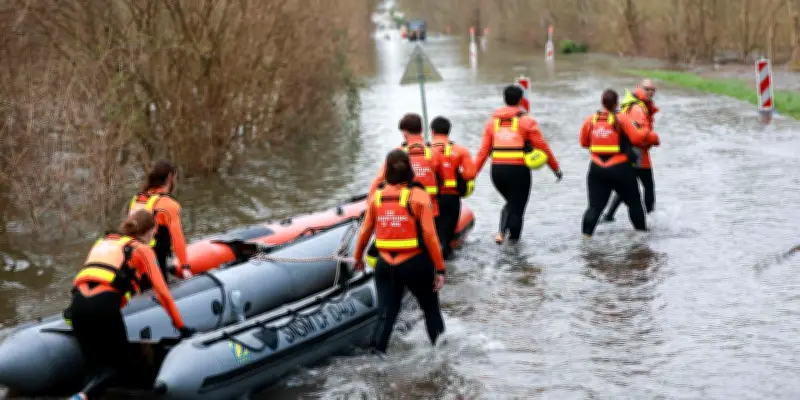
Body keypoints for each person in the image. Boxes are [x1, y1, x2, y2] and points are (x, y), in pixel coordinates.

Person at [65, 211, 194, 400]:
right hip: (104, 307)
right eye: (153, 233)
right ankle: (81, 397)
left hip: (77, 306)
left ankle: (86, 393)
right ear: (150, 231)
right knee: (119, 368)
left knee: (94, 368)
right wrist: (181, 327)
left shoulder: (104, 241)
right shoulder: (142, 249)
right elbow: (163, 292)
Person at [354, 149, 446, 354]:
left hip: (385, 265)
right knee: (431, 311)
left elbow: (366, 231)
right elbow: (431, 237)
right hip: (416, 264)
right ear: (409, 170)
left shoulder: (377, 196)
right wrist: (440, 269)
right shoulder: (420, 196)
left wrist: (358, 257)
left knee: (385, 315)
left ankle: (376, 363)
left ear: (386, 170)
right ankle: (443, 361)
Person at [474, 85, 562, 244]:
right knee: (517, 209)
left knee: (512, 204)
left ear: (504, 99)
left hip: (497, 172)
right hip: (518, 172)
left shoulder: (491, 123)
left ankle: (504, 236)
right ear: (521, 100)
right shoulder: (527, 121)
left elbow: (483, 152)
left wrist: (471, 175)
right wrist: (555, 169)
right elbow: (543, 147)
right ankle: (512, 249)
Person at [580, 89, 657, 237]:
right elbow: (637, 139)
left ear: (602, 102)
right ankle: (642, 239)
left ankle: (585, 240)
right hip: (621, 169)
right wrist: (649, 134)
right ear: (616, 103)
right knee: (634, 203)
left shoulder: (591, 119)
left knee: (594, 208)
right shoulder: (621, 118)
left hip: (596, 169)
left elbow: (583, 143)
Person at [603, 79, 661, 221]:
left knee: (626, 185)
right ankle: (650, 216)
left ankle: (609, 215)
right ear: (638, 88)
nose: (651, 92)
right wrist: (654, 139)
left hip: (627, 152)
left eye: (653, 90)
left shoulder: (631, 104)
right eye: (647, 89)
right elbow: (641, 134)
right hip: (638, 153)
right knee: (648, 186)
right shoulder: (637, 109)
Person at [368, 113, 446, 216]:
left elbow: (380, 179)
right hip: (430, 209)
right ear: (422, 129)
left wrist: (370, 204)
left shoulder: (395, 154)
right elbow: (442, 180)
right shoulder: (434, 153)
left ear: (404, 132)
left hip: (405, 210)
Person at [128, 160, 191, 282]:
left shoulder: (137, 199)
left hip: (136, 260)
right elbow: (177, 238)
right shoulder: (168, 204)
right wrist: (185, 266)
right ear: (170, 177)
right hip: (155, 261)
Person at [429, 116, 476, 260]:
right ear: (448, 132)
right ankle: (447, 269)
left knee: (430, 236)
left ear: (432, 131)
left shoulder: (424, 151)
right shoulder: (460, 151)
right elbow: (470, 174)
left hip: (429, 199)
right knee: (446, 238)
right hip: (451, 199)